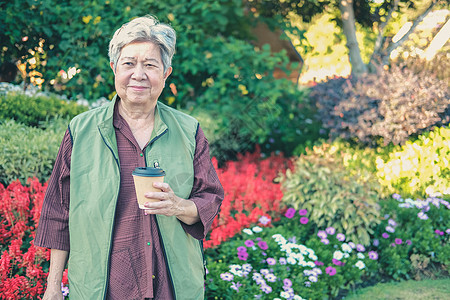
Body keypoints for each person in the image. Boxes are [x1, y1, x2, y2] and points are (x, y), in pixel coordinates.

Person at [35, 15, 224, 300]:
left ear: (166, 73)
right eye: (129, 63)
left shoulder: (188, 131)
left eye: (150, 65)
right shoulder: (81, 130)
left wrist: (178, 206)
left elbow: (209, 199)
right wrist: (52, 287)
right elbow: (59, 212)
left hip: (171, 287)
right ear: (114, 68)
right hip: (103, 287)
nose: (139, 74)